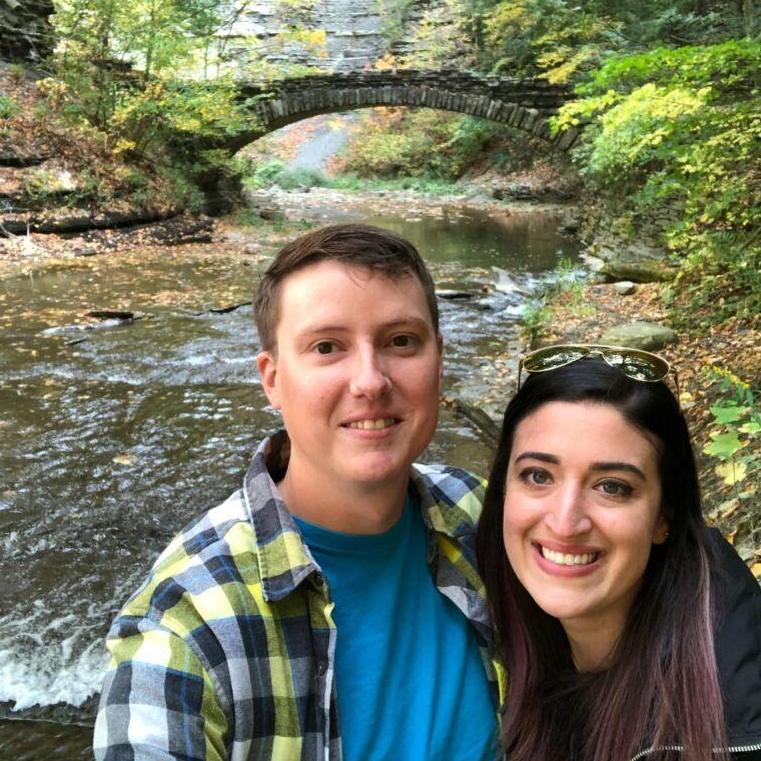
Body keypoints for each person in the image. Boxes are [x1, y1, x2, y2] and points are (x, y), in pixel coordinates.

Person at [93, 224, 504, 761]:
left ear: (439, 359)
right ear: (273, 380)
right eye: (327, 347)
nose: (370, 381)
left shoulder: (487, 516)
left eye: (400, 341)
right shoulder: (186, 624)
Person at [476, 344, 761, 761]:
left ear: (665, 516)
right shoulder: (487, 615)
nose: (564, 522)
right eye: (538, 476)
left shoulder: (734, 721)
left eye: (612, 486)